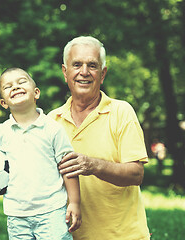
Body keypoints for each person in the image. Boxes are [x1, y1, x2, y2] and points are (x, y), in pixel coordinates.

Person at [48, 36, 150, 240]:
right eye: (77, 64)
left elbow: (136, 174)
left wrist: (92, 165)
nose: (84, 72)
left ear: (102, 74)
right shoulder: (51, 121)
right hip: (68, 236)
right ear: (65, 72)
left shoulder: (122, 112)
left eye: (92, 65)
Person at [0, 67, 81, 239]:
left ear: (36, 93)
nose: (16, 87)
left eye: (22, 82)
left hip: (52, 212)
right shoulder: (1, 132)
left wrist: (75, 202)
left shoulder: (53, 129)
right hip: (17, 215)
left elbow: (68, 167)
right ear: (3, 103)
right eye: (8, 86)